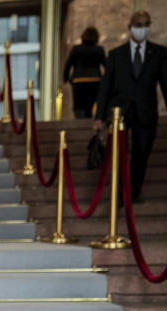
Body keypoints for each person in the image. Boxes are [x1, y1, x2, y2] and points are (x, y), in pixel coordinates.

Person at [93, 11, 167, 204]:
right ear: (130, 27)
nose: (142, 28)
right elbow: (105, 88)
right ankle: (119, 192)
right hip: (119, 113)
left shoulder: (159, 53)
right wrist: (99, 117)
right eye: (139, 24)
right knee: (119, 155)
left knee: (142, 153)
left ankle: (133, 191)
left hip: (146, 112)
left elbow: (166, 84)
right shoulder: (116, 55)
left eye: (146, 24)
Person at [63, 27, 106, 119]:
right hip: (95, 81)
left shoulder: (77, 49)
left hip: (79, 81)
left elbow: (68, 64)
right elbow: (106, 66)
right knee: (90, 106)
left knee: (78, 106)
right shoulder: (99, 49)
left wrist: (66, 78)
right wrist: (104, 79)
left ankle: (81, 124)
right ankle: (89, 124)